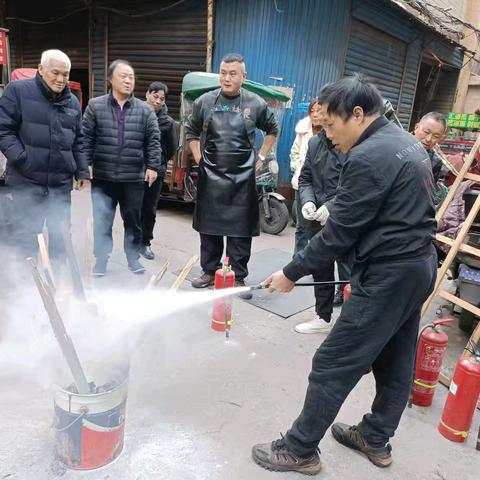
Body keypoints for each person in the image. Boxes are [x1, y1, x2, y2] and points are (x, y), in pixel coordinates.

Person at [251, 74, 437, 475]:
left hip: (389, 274)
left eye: (332, 126)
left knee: (332, 363)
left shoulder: (368, 156)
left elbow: (339, 233)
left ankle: (300, 448)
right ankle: (375, 437)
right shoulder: (406, 142)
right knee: (395, 358)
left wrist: (291, 271)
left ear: (357, 114)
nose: (329, 137)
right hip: (419, 267)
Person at [185, 53, 278, 297]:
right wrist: (198, 158)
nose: (227, 78)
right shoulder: (204, 101)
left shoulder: (256, 103)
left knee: (240, 232)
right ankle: (209, 271)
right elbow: (191, 132)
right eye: (223, 73)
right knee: (209, 229)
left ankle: (237, 276)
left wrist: (260, 158)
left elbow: (272, 130)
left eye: (232, 73)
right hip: (211, 175)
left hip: (243, 177)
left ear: (243, 77)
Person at [0, 49, 89, 269]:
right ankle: (26, 290)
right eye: (55, 72)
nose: (60, 79)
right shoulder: (18, 91)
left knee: (61, 239)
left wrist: (82, 171)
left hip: (59, 185)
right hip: (26, 182)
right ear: (41, 69)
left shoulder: (73, 102)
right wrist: (22, 158)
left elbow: (78, 140)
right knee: (26, 237)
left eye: (65, 74)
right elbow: (3, 129)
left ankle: (59, 286)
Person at [82, 59, 161, 276]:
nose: (128, 80)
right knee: (102, 221)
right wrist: (85, 164)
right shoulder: (95, 106)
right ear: (110, 79)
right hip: (103, 176)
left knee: (133, 222)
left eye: (131, 77)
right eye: (123, 76)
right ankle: (101, 260)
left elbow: (153, 140)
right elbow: (85, 137)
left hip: (133, 177)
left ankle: (133, 259)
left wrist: (153, 165)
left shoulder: (145, 110)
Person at [293, 104, 350, 334]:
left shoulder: (352, 147)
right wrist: (307, 201)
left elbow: (355, 187)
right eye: (322, 125)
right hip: (315, 218)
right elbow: (306, 178)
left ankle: (348, 324)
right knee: (321, 268)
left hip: (344, 220)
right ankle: (322, 316)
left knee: (348, 271)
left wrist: (331, 206)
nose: (326, 131)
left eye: (329, 125)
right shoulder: (315, 143)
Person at [140, 81, 178, 260]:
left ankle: (145, 243)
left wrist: (158, 163)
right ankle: (131, 242)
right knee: (132, 208)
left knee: (149, 209)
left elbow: (172, 148)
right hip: (135, 170)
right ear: (147, 94)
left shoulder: (167, 122)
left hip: (156, 173)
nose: (158, 101)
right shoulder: (135, 114)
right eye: (155, 96)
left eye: (162, 99)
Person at [290, 100, 322, 254]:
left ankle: (315, 261)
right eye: (312, 111)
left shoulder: (331, 132)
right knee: (301, 227)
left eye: (318, 110)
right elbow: (294, 152)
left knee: (318, 229)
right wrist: (297, 167)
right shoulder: (303, 130)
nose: (315, 114)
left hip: (322, 186)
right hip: (302, 183)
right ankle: (298, 261)